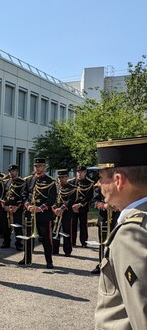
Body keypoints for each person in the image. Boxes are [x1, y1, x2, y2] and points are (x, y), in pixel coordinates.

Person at [92, 136, 147, 329]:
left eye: (101, 177)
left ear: (118, 180)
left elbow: (142, 314)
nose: (98, 184)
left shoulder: (132, 233)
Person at [19, 157, 57, 268]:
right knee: (28, 237)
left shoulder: (50, 181)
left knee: (46, 238)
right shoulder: (28, 180)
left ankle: (49, 261)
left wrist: (41, 208)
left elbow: (52, 198)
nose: (37, 168)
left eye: (40, 166)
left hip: (43, 214)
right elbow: (24, 195)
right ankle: (27, 258)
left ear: (44, 167)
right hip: (30, 213)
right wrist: (28, 206)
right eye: (36, 166)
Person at [90, 185, 120, 274]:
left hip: (116, 218)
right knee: (103, 243)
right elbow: (94, 202)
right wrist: (104, 205)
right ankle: (101, 264)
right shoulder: (99, 187)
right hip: (104, 218)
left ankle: (115, 266)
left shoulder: (119, 186)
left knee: (117, 243)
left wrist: (118, 205)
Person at [51, 169, 76, 257]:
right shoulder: (55, 188)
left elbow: (70, 201)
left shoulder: (72, 188)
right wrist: (55, 208)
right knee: (55, 231)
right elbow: (52, 199)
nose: (61, 179)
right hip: (56, 212)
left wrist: (61, 209)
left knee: (67, 231)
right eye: (60, 177)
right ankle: (54, 249)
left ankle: (67, 250)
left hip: (67, 213)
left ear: (67, 178)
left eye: (63, 177)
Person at [68, 166, 94, 247]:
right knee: (73, 225)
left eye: (81, 172)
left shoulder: (89, 183)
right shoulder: (71, 182)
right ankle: (72, 242)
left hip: (83, 207)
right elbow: (68, 195)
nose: (79, 173)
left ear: (85, 173)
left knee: (83, 226)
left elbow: (89, 197)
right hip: (72, 207)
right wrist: (72, 206)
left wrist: (80, 204)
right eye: (78, 172)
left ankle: (84, 242)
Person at [2, 165, 25, 251]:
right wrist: (4, 206)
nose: (11, 173)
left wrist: (17, 206)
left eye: (13, 171)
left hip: (17, 207)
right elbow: (3, 195)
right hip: (6, 207)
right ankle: (6, 241)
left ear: (17, 171)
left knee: (18, 226)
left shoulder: (22, 182)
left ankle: (19, 243)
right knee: (5, 226)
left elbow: (23, 196)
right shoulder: (5, 182)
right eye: (10, 171)